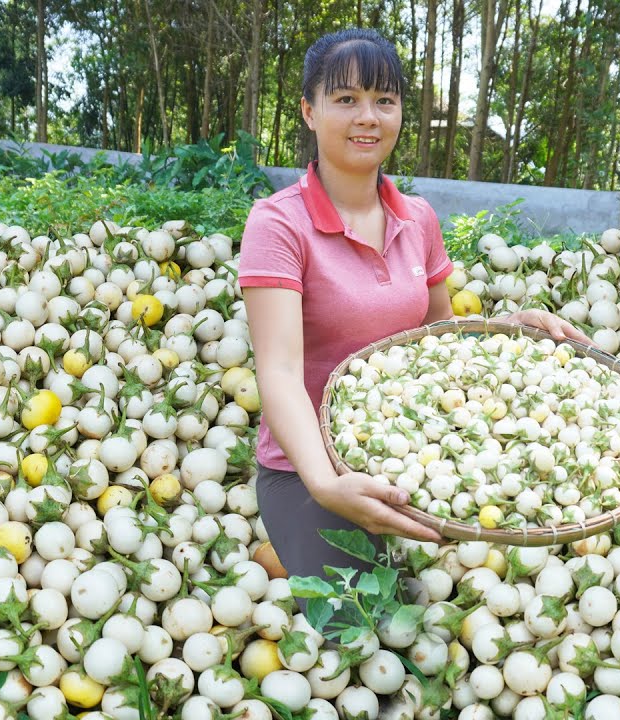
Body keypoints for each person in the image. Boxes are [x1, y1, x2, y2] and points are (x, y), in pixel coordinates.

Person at [238, 28, 591, 580]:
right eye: (346, 99)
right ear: (310, 111)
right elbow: (278, 371)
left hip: (419, 454)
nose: (368, 117)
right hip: (306, 469)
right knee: (354, 634)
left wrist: (506, 328)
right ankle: (286, 547)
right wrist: (325, 485)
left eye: (384, 100)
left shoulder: (418, 218)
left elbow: (438, 337)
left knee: (453, 596)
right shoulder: (279, 223)